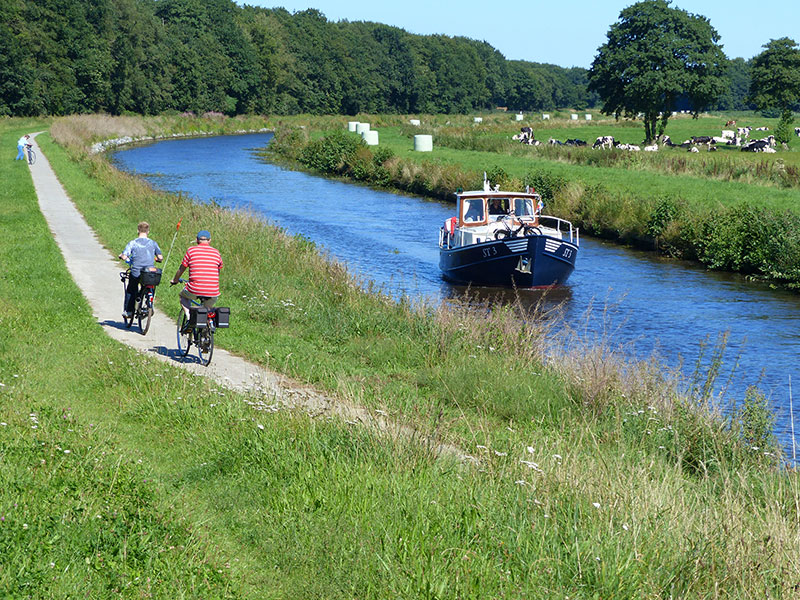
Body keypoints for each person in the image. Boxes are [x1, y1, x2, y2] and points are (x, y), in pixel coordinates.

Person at [170, 230, 223, 320]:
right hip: (213, 291)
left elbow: (182, 268)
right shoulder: (216, 253)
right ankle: (207, 326)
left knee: (183, 296)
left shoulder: (191, 251)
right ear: (209, 240)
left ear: (197, 240)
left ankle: (189, 316)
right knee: (207, 310)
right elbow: (218, 271)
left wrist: (175, 280)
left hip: (194, 289)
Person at [119, 222, 163, 318]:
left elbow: (125, 255)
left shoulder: (133, 243)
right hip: (149, 273)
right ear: (148, 231)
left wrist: (122, 256)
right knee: (150, 284)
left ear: (138, 230)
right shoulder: (153, 243)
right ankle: (149, 303)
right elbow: (160, 257)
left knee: (131, 289)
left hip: (136, 271)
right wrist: (157, 259)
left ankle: (129, 311)